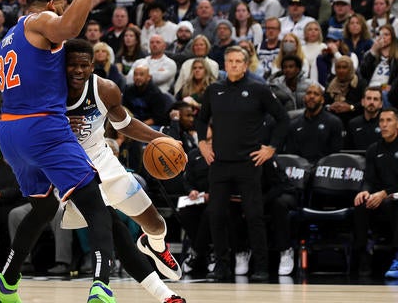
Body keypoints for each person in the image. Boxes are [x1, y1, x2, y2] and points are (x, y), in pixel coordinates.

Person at [0, 0, 117, 300]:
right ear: (51, 5)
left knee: (43, 206)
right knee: (94, 200)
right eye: (60, 7)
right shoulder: (40, 20)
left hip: (10, 132)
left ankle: (6, 281)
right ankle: (102, 286)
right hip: (41, 126)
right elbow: (72, 25)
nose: (61, 13)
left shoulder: (6, 40)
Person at [64, 39, 184, 291]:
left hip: (104, 161)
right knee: (107, 227)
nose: (77, 70)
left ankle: (155, 246)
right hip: (71, 170)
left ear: (93, 66)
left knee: (155, 224)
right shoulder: (50, 90)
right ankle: (104, 286)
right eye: (72, 64)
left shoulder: (105, 89)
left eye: (83, 65)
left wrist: (162, 138)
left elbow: (125, 125)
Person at [195, 46, 290, 281]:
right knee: (216, 213)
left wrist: (271, 148)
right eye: (230, 61)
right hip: (220, 163)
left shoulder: (258, 89)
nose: (234, 65)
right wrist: (202, 144)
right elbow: (200, 119)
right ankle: (221, 265)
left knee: (254, 214)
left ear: (246, 65)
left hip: (248, 162)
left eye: (239, 61)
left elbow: (283, 119)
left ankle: (261, 266)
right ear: (225, 65)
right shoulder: (214, 90)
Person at [353, 107, 398, 279]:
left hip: (394, 197)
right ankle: (363, 255)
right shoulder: (373, 149)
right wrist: (364, 191)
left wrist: (384, 193)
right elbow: (369, 179)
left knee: (394, 202)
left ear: (397, 124)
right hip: (380, 197)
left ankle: (396, 257)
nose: (384, 125)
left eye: (389, 121)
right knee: (360, 203)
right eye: (381, 121)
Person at [284, 83, 344, 163]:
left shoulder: (334, 122)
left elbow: (335, 155)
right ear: (304, 98)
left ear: (322, 100)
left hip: (324, 170)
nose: (311, 97)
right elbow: (291, 154)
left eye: (316, 94)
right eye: (308, 93)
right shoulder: (294, 124)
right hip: (300, 170)